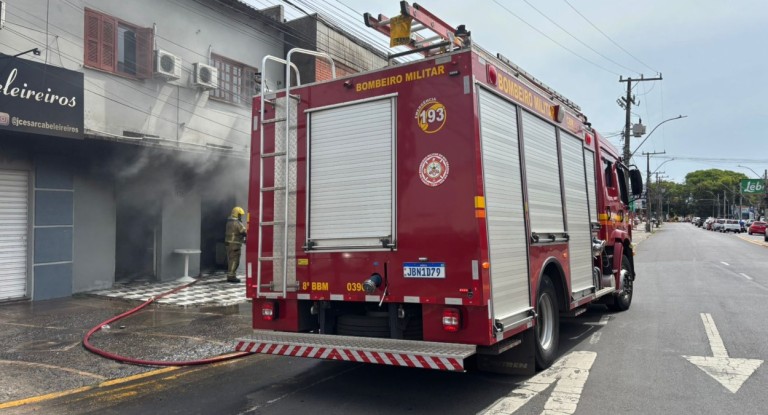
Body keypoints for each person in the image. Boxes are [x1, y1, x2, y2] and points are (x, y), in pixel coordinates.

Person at [225, 206, 247, 283]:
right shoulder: (237, 223)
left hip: (229, 244)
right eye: (240, 215)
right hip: (235, 245)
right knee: (235, 261)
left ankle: (230, 275)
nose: (241, 216)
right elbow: (244, 232)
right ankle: (231, 277)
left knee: (231, 260)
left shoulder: (229, 222)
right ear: (237, 214)